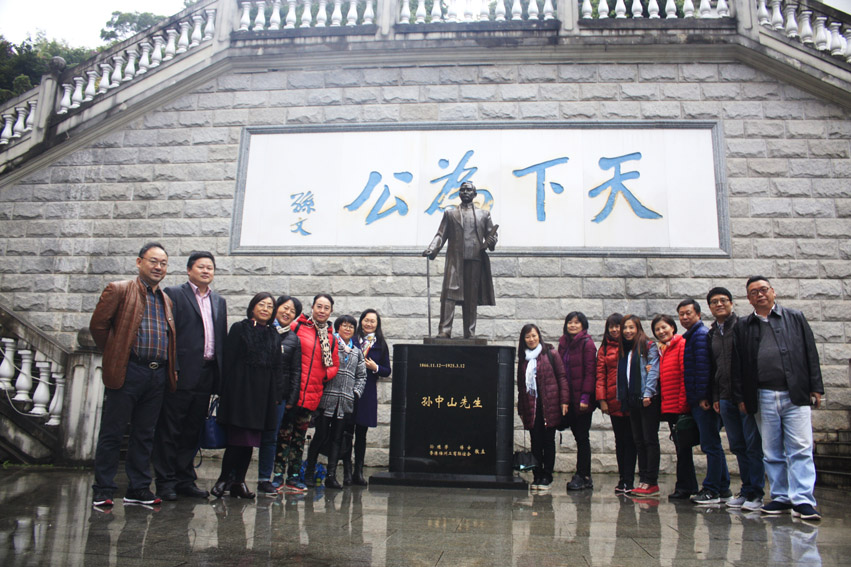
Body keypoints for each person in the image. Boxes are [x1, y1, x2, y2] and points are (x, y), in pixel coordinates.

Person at [89, 242, 178, 508]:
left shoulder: (166, 300)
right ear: (139, 262)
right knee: (113, 432)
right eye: (153, 261)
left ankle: (138, 488)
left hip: (157, 374)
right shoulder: (119, 289)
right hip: (129, 370)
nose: (158, 267)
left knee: (145, 434)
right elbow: (98, 326)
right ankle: (103, 489)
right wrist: (116, 353)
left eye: (163, 263)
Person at [732, 276, 824, 520]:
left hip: (795, 394)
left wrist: (816, 386)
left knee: (801, 448)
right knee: (771, 450)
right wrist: (741, 396)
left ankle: (803, 500)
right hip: (762, 395)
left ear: (773, 292)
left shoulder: (795, 317)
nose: (760, 295)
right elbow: (737, 363)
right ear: (748, 298)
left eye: (763, 289)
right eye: (754, 292)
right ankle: (781, 497)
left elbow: (810, 352)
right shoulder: (743, 325)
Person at [152, 251, 227, 501]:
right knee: (170, 429)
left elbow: (220, 339)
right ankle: (165, 481)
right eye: (201, 267)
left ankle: (185, 479)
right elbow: (167, 333)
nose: (206, 271)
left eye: (210, 268)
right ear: (189, 270)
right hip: (181, 373)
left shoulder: (218, 301)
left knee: (192, 430)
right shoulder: (174, 294)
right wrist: (171, 367)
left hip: (206, 374)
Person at [211, 293, 281, 499]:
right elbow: (228, 360)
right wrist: (224, 390)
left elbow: (277, 367)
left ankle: (238, 482)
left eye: (269, 306)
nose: (265, 309)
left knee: (250, 441)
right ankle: (224, 478)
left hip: (262, 395)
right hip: (240, 392)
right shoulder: (239, 328)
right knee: (237, 439)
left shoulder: (273, 334)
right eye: (261, 304)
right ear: (253, 307)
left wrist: (276, 395)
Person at [706, 286, 765, 511]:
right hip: (724, 397)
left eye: (723, 300)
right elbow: (714, 368)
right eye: (714, 302)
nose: (719, 304)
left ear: (731, 303)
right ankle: (746, 489)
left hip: (743, 397)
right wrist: (715, 396)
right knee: (738, 445)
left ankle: (756, 493)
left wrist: (746, 394)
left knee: (752, 445)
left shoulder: (743, 326)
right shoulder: (712, 333)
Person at [277, 293, 340, 489]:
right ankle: (277, 476)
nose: (322, 311)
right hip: (291, 392)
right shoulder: (297, 327)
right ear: (312, 307)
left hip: (312, 396)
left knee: (299, 439)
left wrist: (322, 376)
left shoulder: (331, 337)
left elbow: (334, 365)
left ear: (331, 311)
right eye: (319, 306)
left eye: (326, 308)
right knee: (283, 436)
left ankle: (294, 476)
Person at [422, 181, 497, 339]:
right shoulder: (450, 214)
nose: (465, 192)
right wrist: (432, 248)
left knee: (471, 298)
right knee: (449, 295)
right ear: (459, 193)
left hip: (475, 259)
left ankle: (469, 332)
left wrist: (492, 241)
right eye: (462, 190)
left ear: (475, 194)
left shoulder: (484, 214)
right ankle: (444, 330)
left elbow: (491, 235)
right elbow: (441, 235)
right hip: (455, 260)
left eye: (469, 190)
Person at [677, 299, 731, 506]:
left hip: (703, 402)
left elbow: (703, 369)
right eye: (681, 314)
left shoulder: (699, 336)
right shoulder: (693, 336)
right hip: (700, 399)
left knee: (711, 445)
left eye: (688, 313)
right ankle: (723, 488)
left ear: (698, 314)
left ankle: (711, 489)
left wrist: (703, 397)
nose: (684, 317)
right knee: (712, 444)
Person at [305, 315, 367, 489]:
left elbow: (362, 376)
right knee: (320, 436)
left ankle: (331, 476)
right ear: (338, 327)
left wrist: (355, 393)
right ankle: (309, 472)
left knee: (337, 439)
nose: (347, 329)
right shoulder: (330, 345)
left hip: (345, 402)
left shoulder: (356, 352)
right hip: (327, 399)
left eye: (351, 327)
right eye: (344, 326)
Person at [256, 295, 302, 495]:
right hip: (256, 393)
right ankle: (233, 477)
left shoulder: (293, 339)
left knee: (271, 438)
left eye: (292, 311)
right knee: (246, 436)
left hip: (278, 396)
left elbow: (295, 371)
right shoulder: (262, 330)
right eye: (285, 308)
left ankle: (264, 479)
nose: (287, 313)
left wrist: (291, 398)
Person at [516, 324, 569, 491]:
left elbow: (561, 377)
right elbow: (521, 387)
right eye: (527, 337)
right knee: (535, 442)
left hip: (549, 405)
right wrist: (521, 409)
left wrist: (564, 401)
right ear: (523, 340)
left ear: (539, 336)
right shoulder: (523, 359)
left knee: (548, 441)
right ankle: (537, 475)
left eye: (534, 335)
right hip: (531, 407)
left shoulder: (551, 353)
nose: (531, 339)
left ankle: (547, 475)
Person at [652, 314, 698, 500]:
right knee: (681, 448)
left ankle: (685, 487)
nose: (661, 331)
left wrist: (683, 405)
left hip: (679, 407)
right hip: (670, 407)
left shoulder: (681, 345)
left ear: (672, 327)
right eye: (657, 329)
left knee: (684, 448)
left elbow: (684, 375)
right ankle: (688, 485)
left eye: (664, 327)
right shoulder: (663, 350)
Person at [616, 315, 660, 497]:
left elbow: (653, 371)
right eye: (625, 328)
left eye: (631, 327)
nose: (628, 331)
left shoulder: (648, 346)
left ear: (638, 328)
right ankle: (643, 480)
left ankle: (651, 481)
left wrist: (648, 393)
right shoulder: (625, 350)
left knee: (649, 440)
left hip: (646, 399)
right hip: (632, 400)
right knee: (639, 441)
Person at [347, 308, 392, 486]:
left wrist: (375, 367)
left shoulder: (380, 344)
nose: (369, 323)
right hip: (349, 389)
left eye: (373, 321)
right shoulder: (352, 340)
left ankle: (358, 471)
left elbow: (387, 370)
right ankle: (347, 471)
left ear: (377, 324)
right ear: (361, 321)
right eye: (366, 320)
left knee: (361, 434)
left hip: (367, 392)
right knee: (346, 432)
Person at [596, 313, 636, 494]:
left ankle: (630, 479)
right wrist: (602, 400)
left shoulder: (633, 345)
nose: (614, 330)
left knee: (632, 440)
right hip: (614, 401)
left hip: (632, 401)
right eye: (611, 327)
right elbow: (600, 375)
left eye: (617, 326)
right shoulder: (604, 349)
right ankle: (623, 479)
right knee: (620, 441)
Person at [558, 311, 597, 491]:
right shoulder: (563, 343)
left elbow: (590, 372)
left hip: (581, 400)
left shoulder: (587, 344)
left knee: (582, 437)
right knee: (575, 434)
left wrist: (585, 397)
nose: (573, 325)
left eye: (576, 322)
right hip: (568, 399)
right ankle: (581, 474)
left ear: (583, 325)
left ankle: (584, 475)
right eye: (570, 322)